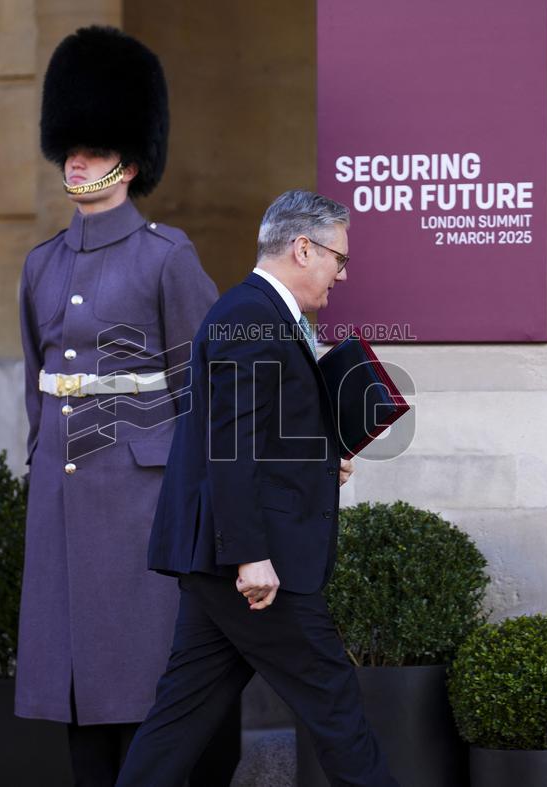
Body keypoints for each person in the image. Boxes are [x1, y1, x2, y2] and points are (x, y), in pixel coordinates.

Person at [115, 190, 399, 786]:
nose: (343, 275)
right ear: (303, 249)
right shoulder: (249, 317)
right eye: (340, 259)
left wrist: (319, 461)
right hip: (254, 563)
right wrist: (250, 556)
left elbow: (258, 433)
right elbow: (230, 446)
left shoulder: (260, 313)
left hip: (226, 559)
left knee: (178, 721)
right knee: (335, 703)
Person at [14, 26, 234, 785]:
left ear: (129, 163)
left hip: (141, 499)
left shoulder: (166, 257)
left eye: (95, 150)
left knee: (139, 680)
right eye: (70, 149)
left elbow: (202, 388)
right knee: (76, 689)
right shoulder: (42, 264)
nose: (76, 161)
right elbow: (38, 384)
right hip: (63, 494)